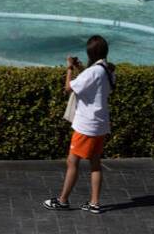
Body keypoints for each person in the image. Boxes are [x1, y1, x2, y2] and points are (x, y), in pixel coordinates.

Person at [43, 35, 115, 214]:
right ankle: (94, 203)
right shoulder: (107, 69)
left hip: (86, 125)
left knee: (72, 161)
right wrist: (79, 67)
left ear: (90, 52)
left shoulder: (93, 72)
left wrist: (68, 68)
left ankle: (63, 200)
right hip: (100, 124)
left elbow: (69, 88)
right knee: (95, 163)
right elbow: (92, 80)